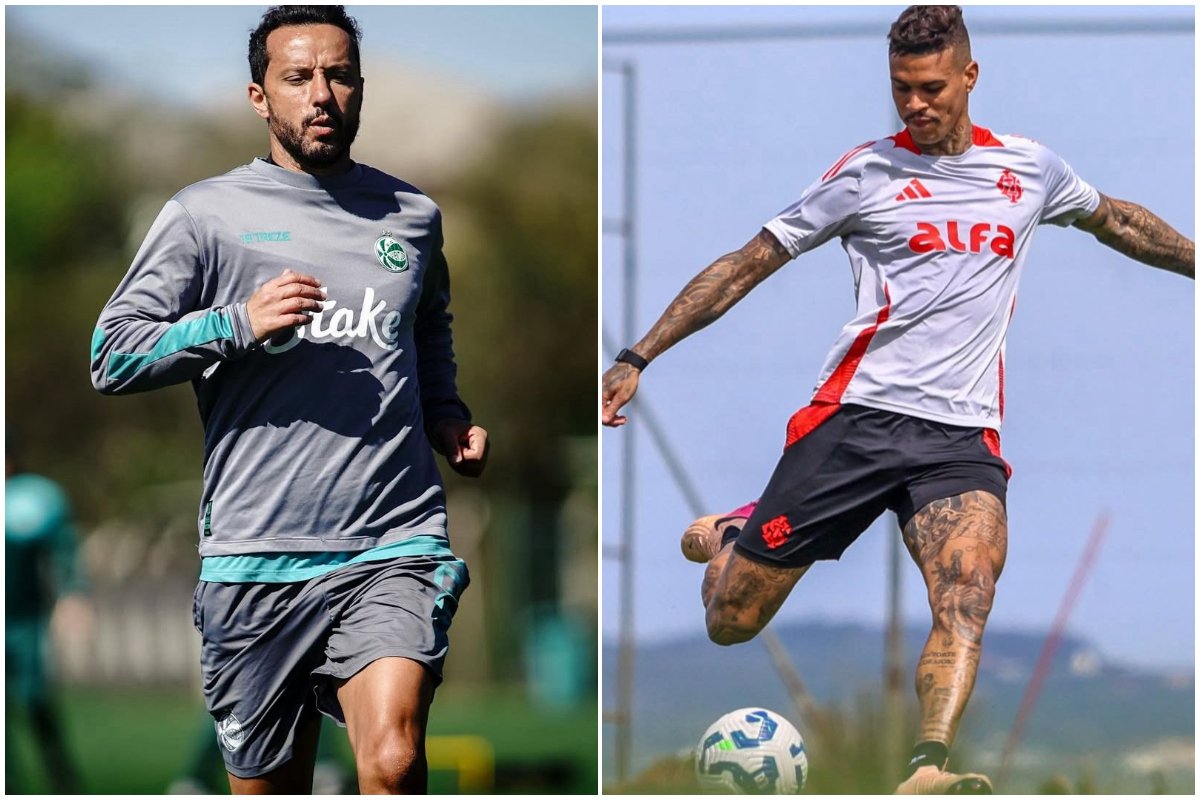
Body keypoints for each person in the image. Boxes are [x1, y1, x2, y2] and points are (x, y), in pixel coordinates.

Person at [601, 5, 1192, 795]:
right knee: (730, 622)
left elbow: (1117, 221)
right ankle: (735, 533)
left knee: (969, 587)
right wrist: (641, 353)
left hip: (960, 435)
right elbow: (747, 264)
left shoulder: (1029, 170)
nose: (916, 104)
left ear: (970, 78)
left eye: (932, 88)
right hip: (854, 423)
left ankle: (930, 766)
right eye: (901, 89)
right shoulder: (864, 175)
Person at [91, 6, 489, 793]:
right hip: (254, 558)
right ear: (258, 96)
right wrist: (238, 322)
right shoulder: (205, 215)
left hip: (391, 540)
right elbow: (113, 353)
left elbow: (429, 322)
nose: (322, 95)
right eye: (298, 77)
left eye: (339, 75)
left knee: (396, 759)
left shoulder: (411, 218)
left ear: (361, 89)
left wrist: (445, 411)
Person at [5, 434, 90, 794]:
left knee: (35, 699)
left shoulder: (33, 498)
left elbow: (64, 550)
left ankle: (62, 779)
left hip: (25, 619)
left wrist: (73, 596)